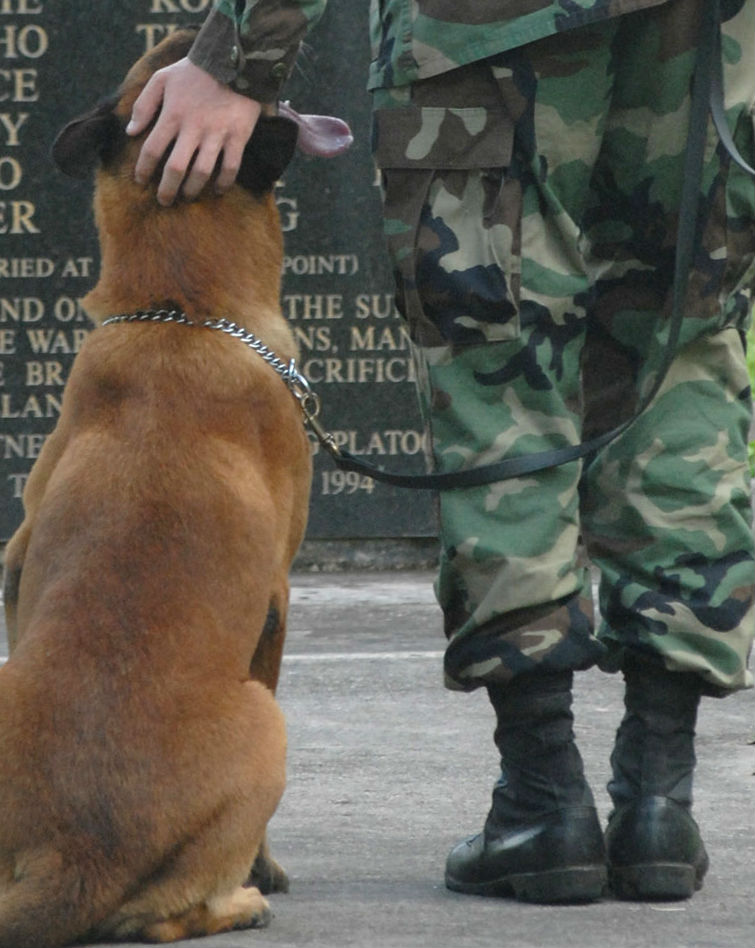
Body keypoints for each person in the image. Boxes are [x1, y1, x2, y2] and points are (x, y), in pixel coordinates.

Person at [128, 0, 755, 904]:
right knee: (684, 353)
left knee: (495, 364)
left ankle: (543, 805)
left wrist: (237, 61)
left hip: (483, 32)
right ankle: (660, 803)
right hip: (708, 39)